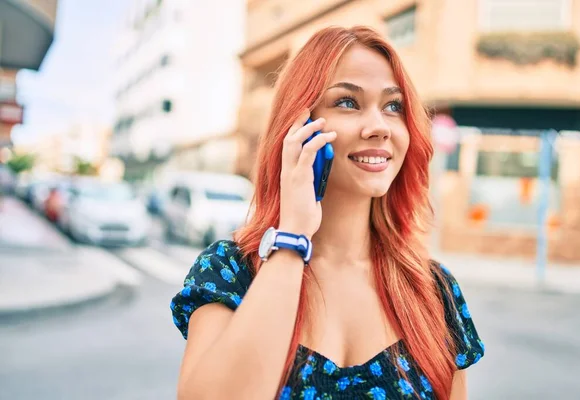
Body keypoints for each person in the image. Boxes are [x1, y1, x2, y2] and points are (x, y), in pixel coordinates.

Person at [170, 26, 484, 400]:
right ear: (298, 127)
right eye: (348, 103)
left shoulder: (432, 289)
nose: (379, 127)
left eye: (393, 106)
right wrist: (292, 239)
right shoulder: (231, 271)